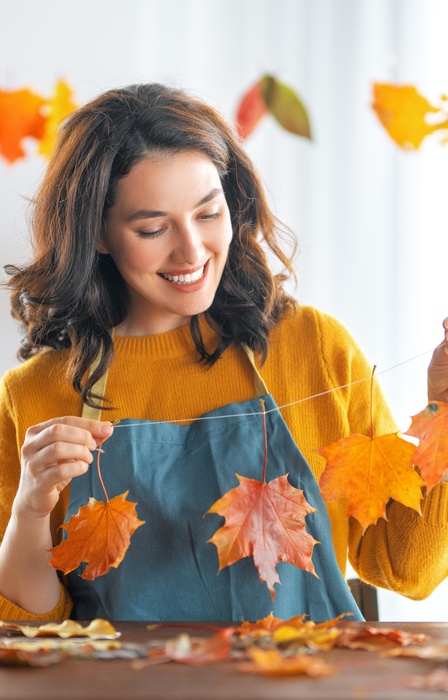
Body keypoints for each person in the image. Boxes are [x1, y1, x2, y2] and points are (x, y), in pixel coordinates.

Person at [0, 83, 447, 623]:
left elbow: (409, 570)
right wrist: (29, 507)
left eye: (208, 214)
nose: (192, 250)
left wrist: (443, 411)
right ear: (98, 233)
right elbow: (30, 625)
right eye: (153, 227)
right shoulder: (32, 393)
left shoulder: (314, 347)